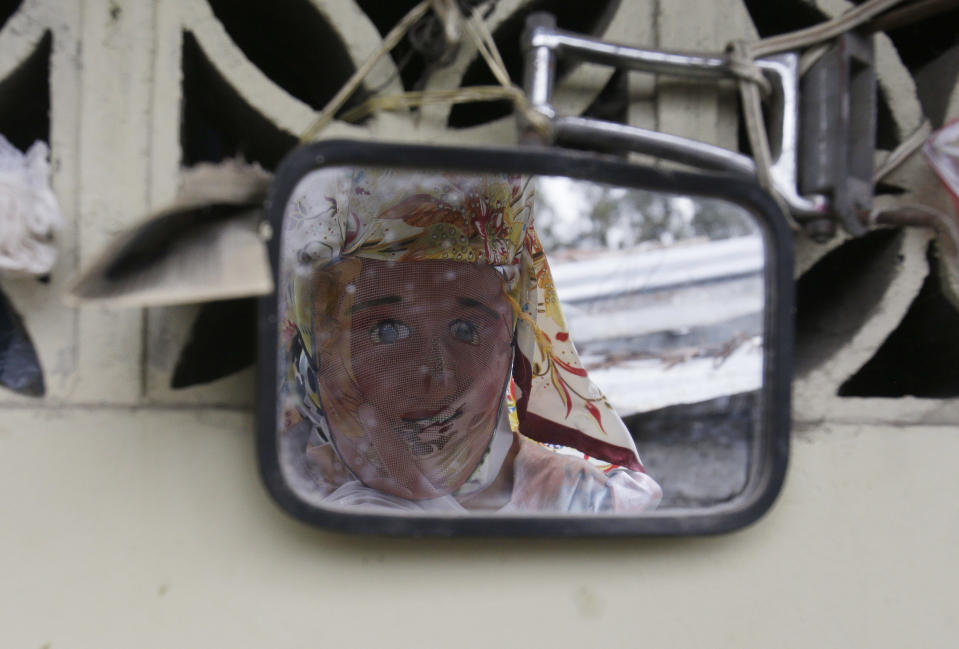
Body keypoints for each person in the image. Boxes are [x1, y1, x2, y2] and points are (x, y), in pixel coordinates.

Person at [277, 166, 662, 513]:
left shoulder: (583, 505)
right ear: (320, 344)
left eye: (466, 329)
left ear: (510, 341)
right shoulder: (271, 501)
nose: (436, 374)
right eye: (388, 331)